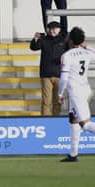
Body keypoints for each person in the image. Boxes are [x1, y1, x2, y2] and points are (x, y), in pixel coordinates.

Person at [58, 27, 95, 162]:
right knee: (73, 118)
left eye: (68, 36)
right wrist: (87, 47)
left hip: (76, 92)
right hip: (86, 89)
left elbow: (64, 78)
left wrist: (60, 94)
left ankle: (73, 154)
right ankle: (73, 154)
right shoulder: (86, 52)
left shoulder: (66, 56)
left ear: (71, 40)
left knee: (85, 124)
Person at [30, 21, 67, 116]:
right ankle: (45, 120)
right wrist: (35, 39)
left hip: (60, 74)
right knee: (46, 101)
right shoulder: (44, 39)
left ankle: (55, 119)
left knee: (57, 101)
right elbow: (34, 47)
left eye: (55, 28)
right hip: (46, 74)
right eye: (50, 28)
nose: (52, 30)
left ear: (59, 29)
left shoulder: (64, 40)